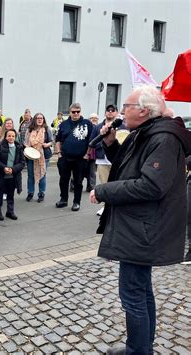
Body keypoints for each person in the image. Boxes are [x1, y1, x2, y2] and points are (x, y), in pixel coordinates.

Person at [90, 85, 191, 355]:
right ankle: (141, 347)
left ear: (144, 111)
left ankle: (138, 351)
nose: (122, 111)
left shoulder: (163, 138)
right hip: (138, 225)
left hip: (144, 228)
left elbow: (151, 186)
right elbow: (127, 165)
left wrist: (102, 192)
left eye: (127, 106)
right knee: (141, 291)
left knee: (133, 295)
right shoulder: (144, 133)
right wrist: (110, 142)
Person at [55, 103, 93, 211]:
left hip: (80, 159)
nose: (76, 113)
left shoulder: (87, 124)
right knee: (63, 180)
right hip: (65, 158)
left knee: (78, 181)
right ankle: (63, 199)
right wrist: (59, 153)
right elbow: (58, 139)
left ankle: (76, 202)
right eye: (73, 112)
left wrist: (87, 154)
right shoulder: (63, 124)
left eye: (78, 111)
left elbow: (91, 141)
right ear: (70, 112)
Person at [90, 104, 125, 216]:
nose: (110, 112)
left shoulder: (122, 126)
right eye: (108, 110)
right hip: (102, 160)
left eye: (113, 110)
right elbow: (92, 141)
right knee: (105, 184)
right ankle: (105, 207)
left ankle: (116, 206)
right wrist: (103, 144)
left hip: (117, 160)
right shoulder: (99, 126)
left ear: (116, 112)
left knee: (117, 184)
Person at [0, 129, 25, 221]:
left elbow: (22, 163)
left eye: (13, 136)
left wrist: (13, 169)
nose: (11, 137)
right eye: (9, 136)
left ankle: (10, 212)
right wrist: (4, 168)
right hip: (1, 175)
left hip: (13, 176)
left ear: (15, 137)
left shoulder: (19, 147)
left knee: (10, 195)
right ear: (5, 137)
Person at [25, 113, 53, 202]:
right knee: (30, 175)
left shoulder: (47, 129)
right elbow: (25, 142)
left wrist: (46, 144)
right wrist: (27, 146)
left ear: (43, 119)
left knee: (42, 175)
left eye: (41, 118)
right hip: (31, 155)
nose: (40, 120)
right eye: (38, 118)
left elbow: (52, 141)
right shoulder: (29, 130)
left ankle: (41, 193)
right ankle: (30, 193)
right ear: (34, 119)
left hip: (44, 155)